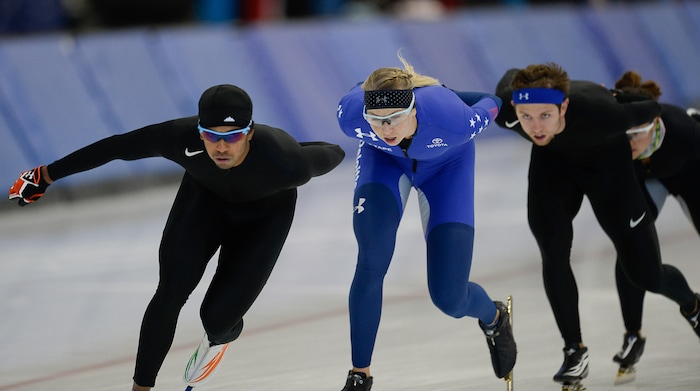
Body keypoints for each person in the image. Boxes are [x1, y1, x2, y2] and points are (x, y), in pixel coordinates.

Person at [8, 84, 345, 391]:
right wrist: (45, 175)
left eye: (233, 136)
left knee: (216, 319)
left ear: (250, 133)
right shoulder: (178, 137)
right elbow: (118, 147)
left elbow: (331, 152)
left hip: (265, 216)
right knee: (170, 291)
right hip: (205, 201)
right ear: (199, 132)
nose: (222, 147)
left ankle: (222, 335)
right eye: (211, 136)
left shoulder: (287, 162)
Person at [493, 63, 700, 388]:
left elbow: (652, 107)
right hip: (554, 170)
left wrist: (617, 95)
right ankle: (574, 350)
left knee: (645, 274)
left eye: (545, 115)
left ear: (564, 106)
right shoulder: (508, 107)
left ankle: (693, 305)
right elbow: (497, 83)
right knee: (554, 253)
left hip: (608, 170)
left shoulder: (604, 113)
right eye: (526, 115)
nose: (534, 126)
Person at [335, 53, 516, 390]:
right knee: (371, 261)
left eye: (395, 118)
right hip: (384, 164)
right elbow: (361, 99)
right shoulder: (351, 116)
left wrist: (451, 92)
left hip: (447, 169)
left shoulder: (453, 119)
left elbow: (491, 102)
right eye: (377, 119)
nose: (386, 128)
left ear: (414, 109)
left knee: (450, 298)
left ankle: (494, 317)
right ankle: (360, 374)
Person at [606, 71, 700, 377]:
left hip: (690, 171)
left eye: (636, 134)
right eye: (624, 136)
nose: (629, 143)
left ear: (655, 124)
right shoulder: (615, 144)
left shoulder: (686, 132)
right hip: (646, 180)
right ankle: (633, 333)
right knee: (630, 249)